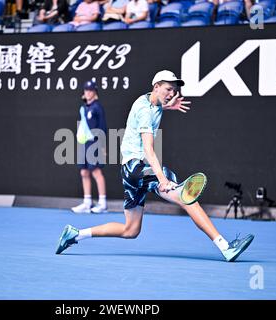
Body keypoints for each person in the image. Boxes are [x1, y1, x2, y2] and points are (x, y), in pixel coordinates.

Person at [56, 70, 255, 262]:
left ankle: (75, 234)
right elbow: (149, 149)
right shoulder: (144, 111)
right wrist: (162, 179)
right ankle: (225, 247)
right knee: (187, 197)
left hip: (128, 171)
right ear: (156, 86)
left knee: (130, 230)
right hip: (139, 167)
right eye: (168, 89)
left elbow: (155, 106)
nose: (172, 93)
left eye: (174, 90)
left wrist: (169, 106)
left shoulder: (148, 100)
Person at [72, 80, 108, 214]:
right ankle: (87, 202)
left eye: (90, 90)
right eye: (86, 90)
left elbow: (103, 127)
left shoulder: (97, 107)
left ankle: (103, 203)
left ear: (95, 92)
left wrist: (103, 146)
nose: (88, 93)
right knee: (84, 172)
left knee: (96, 172)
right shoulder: (84, 108)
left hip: (95, 143)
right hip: (84, 143)